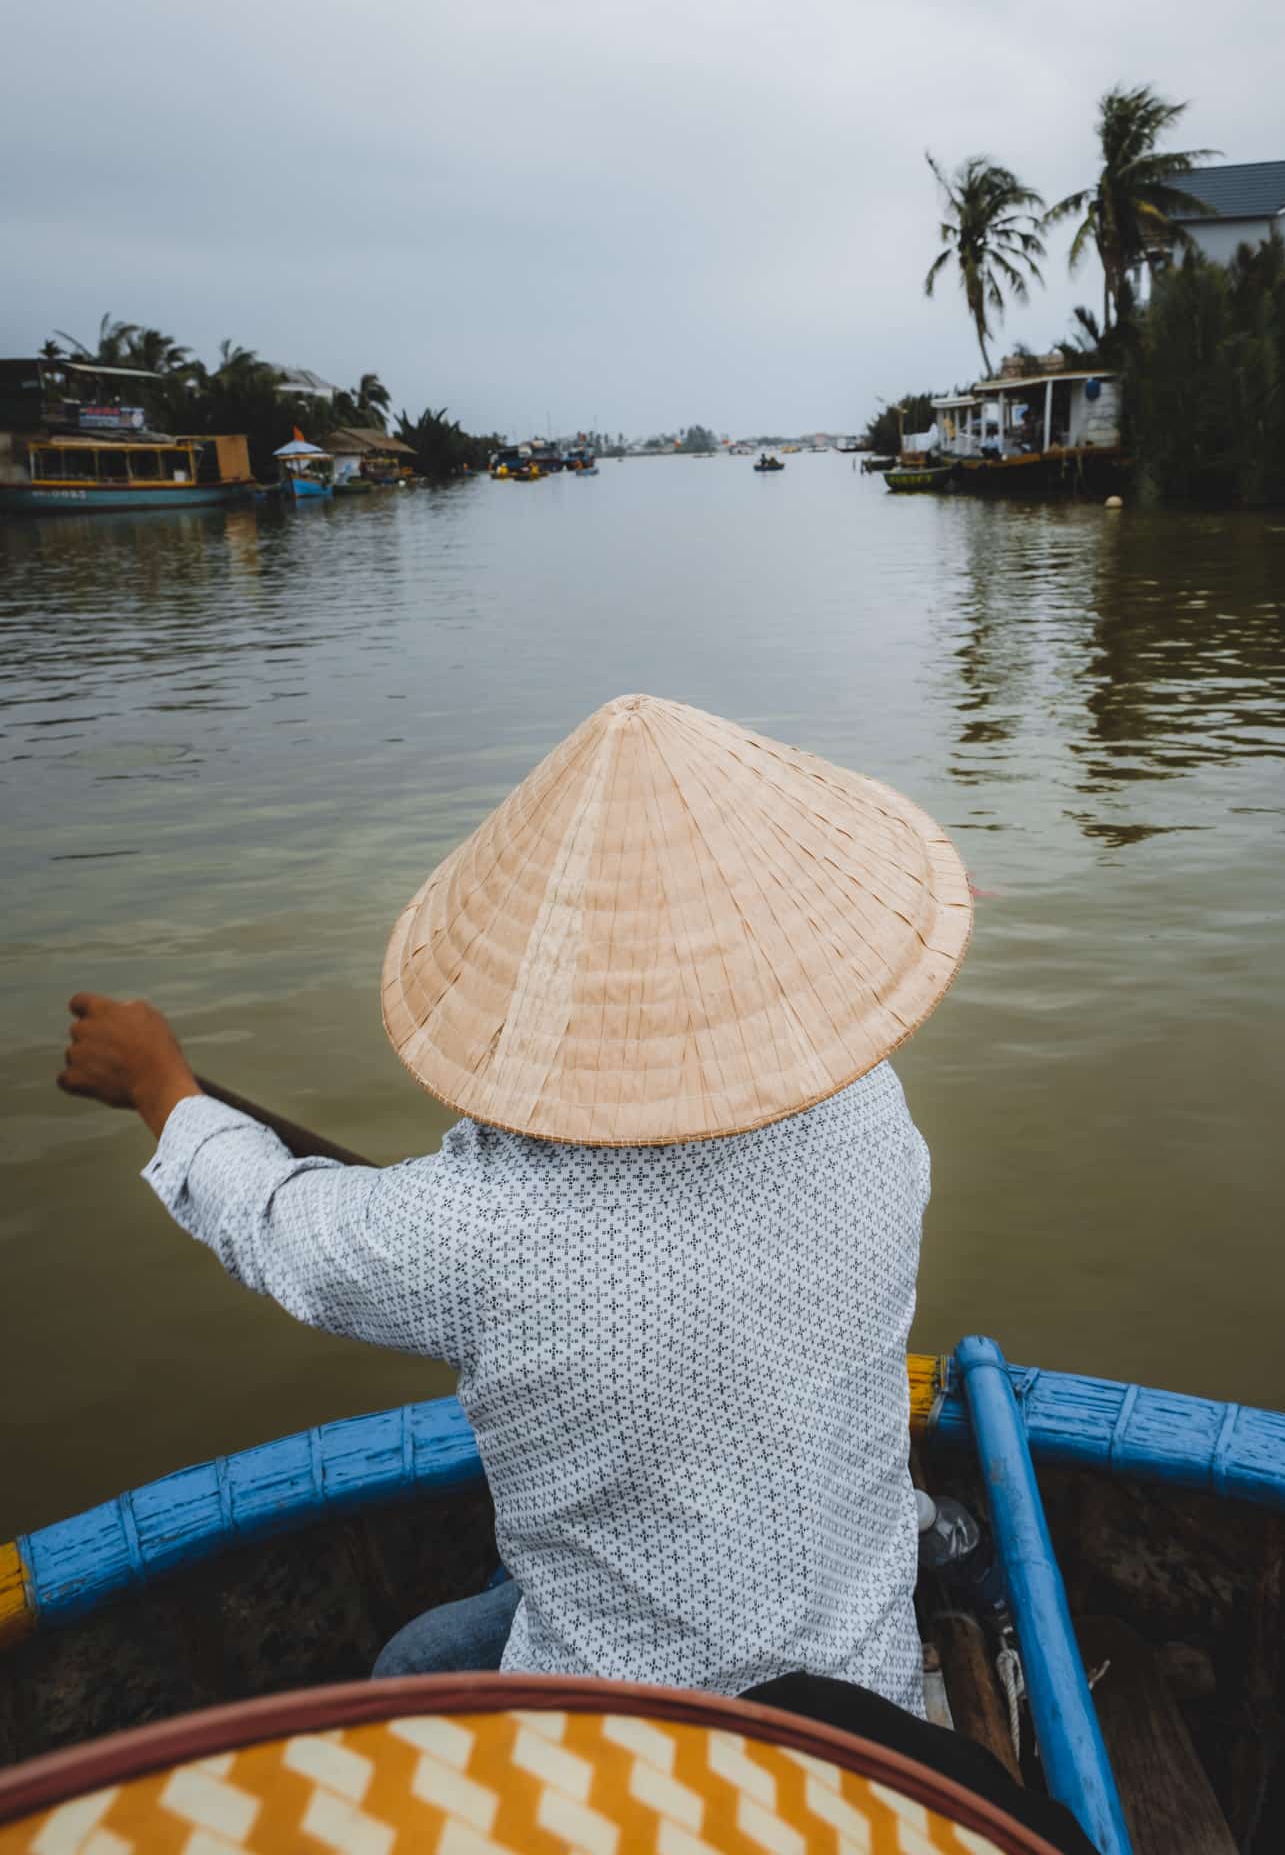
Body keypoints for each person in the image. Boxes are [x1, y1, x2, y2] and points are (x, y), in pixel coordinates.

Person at [58, 693, 972, 1713]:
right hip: (864, 1671)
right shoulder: (867, 1108)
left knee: (408, 1664)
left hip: (641, 1727)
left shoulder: (479, 1225)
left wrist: (160, 1088)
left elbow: (283, 1225)